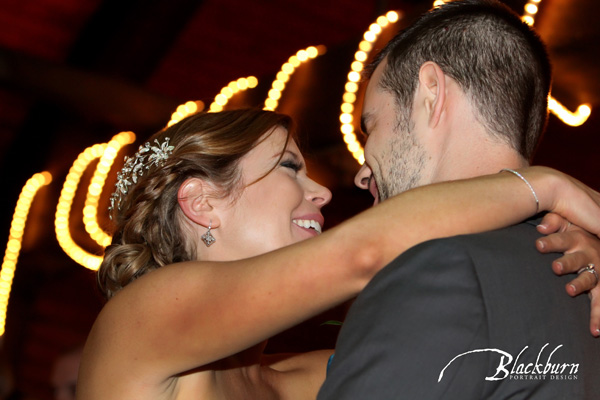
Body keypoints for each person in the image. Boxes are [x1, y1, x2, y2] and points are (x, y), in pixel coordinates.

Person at [76, 108, 600, 400]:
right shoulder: (139, 320)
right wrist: (545, 188)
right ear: (202, 202)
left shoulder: (310, 377)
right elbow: (364, 253)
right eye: (288, 167)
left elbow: (487, 351)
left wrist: (564, 261)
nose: (323, 192)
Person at [317, 1, 600, 399]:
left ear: (431, 94)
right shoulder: (582, 275)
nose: (362, 172)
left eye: (371, 126)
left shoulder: (435, 269)